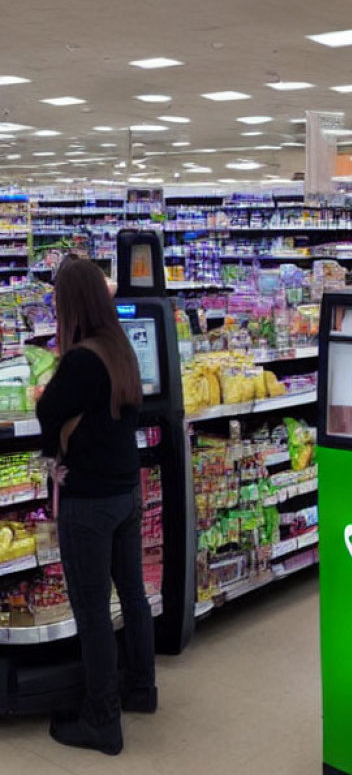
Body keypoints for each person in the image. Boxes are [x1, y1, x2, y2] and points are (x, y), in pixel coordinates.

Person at [36, 258, 156, 756]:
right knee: (132, 594)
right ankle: (141, 689)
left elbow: (47, 410)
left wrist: (54, 437)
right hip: (126, 489)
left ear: (71, 303)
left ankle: (102, 720)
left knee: (91, 611)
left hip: (89, 499)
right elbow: (134, 410)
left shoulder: (82, 358)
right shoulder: (120, 347)